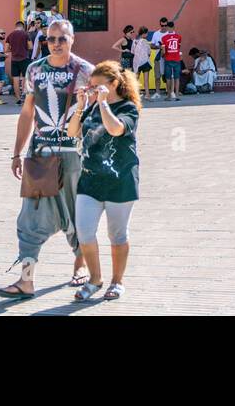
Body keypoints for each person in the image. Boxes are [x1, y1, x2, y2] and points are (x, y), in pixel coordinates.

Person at [0, 19, 92, 299]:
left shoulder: (85, 71)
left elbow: (97, 116)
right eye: (51, 39)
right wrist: (17, 151)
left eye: (62, 38)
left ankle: (80, 265)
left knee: (77, 216)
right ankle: (26, 280)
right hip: (40, 155)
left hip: (75, 157)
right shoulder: (35, 70)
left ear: (72, 39)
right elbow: (27, 112)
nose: (57, 43)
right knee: (30, 217)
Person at [66, 59, 141, 302]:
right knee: (85, 233)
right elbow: (72, 132)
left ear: (114, 84)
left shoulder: (128, 108)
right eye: (91, 86)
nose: (94, 90)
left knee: (117, 235)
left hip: (120, 181)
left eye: (98, 87)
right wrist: (81, 106)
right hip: (90, 180)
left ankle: (117, 281)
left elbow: (116, 130)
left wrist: (103, 104)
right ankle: (95, 279)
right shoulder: (92, 107)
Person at [6, 20, 31, 103]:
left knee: (15, 79)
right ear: (23, 27)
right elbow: (31, 46)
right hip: (24, 58)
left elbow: (6, 49)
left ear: (15, 26)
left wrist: (13, 49)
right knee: (24, 77)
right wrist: (24, 48)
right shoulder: (26, 34)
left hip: (14, 60)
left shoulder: (10, 35)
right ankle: (24, 94)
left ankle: (18, 98)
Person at [160, 19, 183, 101]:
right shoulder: (179, 37)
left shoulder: (164, 38)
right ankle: (177, 95)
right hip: (176, 59)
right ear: (174, 27)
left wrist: (162, 55)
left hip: (168, 59)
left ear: (168, 28)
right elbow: (178, 48)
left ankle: (169, 95)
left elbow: (163, 50)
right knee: (177, 77)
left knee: (168, 78)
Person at [132, 26, 155, 100]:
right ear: (144, 33)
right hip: (145, 62)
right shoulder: (145, 41)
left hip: (137, 62)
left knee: (136, 80)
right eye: (147, 33)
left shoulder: (134, 41)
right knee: (146, 80)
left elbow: (132, 51)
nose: (147, 34)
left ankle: (135, 95)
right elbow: (149, 52)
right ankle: (147, 95)